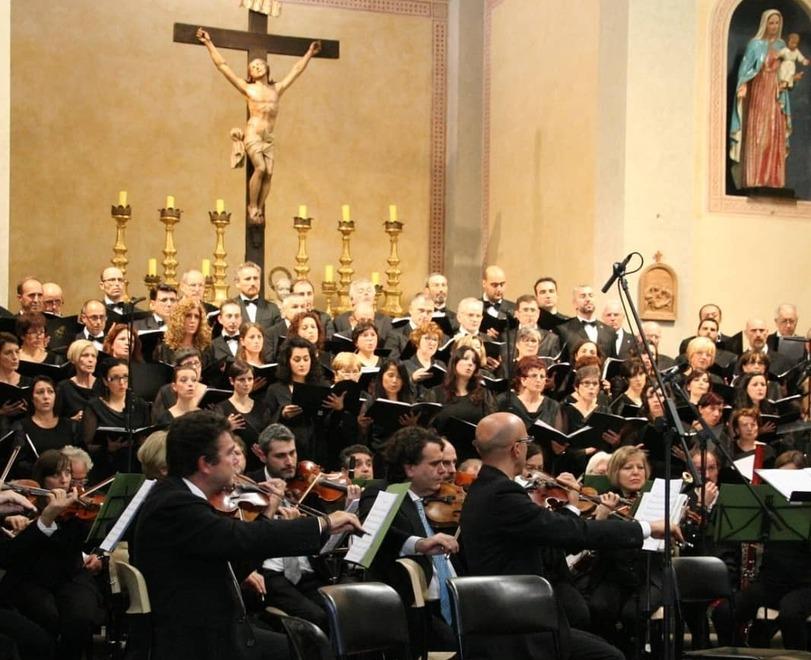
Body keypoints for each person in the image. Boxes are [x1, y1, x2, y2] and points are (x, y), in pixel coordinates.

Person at [132, 410, 362, 660]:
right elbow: (239, 536)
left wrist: (267, 514)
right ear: (205, 464)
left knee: (311, 645)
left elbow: (234, 555)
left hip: (214, 628)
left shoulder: (178, 495)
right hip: (197, 642)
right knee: (310, 649)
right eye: (231, 453)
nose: (237, 461)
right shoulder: (174, 504)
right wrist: (323, 523)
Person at [460, 412, 678, 660]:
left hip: (511, 615)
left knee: (603, 648)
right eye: (527, 441)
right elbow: (572, 532)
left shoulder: (483, 488)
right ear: (516, 449)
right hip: (517, 625)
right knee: (609, 657)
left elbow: (549, 535)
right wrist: (646, 528)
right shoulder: (502, 493)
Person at [196, 28, 321, 224]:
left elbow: (296, 70)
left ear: (267, 68)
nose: (256, 67)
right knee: (260, 168)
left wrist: (309, 53)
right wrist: (208, 43)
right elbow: (223, 66)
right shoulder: (248, 88)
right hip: (253, 133)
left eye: (259, 65)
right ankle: (252, 206)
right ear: (249, 73)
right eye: (252, 67)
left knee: (269, 174)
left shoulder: (276, 89)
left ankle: (259, 209)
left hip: (268, 138)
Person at [358, 426, 460, 655]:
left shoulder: (434, 500)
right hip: (413, 609)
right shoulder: (383, 491)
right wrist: (418, 543)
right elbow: (374, 532)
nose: (444, 471)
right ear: (410, 468)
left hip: (453, 599)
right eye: (435, 464)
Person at [0, 449, 106, 660]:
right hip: (32, 579)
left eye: (67, 473)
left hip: (71, 576)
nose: (64, 480)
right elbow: (11, 555)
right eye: (56, 475)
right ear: (42, 478)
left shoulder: (79, 509)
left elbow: (95, 543)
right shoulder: (24, 506)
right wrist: (36, 522)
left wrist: (100, 556)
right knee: (47, 617)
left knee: (79, 617)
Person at [730, 9, 795, 190]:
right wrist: (743, 84)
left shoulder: (782, 45)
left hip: (776, 93)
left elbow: (787, 68)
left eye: (776, 23)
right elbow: (745, 70)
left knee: (775, 133)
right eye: (771, 22)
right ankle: (755, 178)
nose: (774, 26)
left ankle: (773, 180)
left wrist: (790, 79)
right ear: (764, 24)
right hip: (759, 91)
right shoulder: (755, 44)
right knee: (759, 133)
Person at [82, 359, 151, 480]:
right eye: (114, 378)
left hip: (136, 466)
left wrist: (143, 442)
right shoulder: (94, 406)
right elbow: (86, 445)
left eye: (125, 377)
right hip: (106, 468)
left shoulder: (141, 405)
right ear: (105, 381)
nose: (122, 382)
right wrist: (107, 448)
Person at [264, 337, 325, 462]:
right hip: (287, 450)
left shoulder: (322, 386)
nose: (302, 364)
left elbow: (327, 422)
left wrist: (337, 408)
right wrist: (282, 414)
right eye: (297, 360)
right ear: (287, 361)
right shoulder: (275, 389)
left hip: (317, 448)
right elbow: (267, 425)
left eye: (306, 359)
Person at [12, 376, 77, 478]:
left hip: (67, 480)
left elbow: (80, 458)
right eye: (40, 392)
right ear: (32, 398)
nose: (46, 396)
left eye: (50, 392)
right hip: (35, 481)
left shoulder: (70, 425)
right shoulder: (21, 426)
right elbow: (18, 464)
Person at [215, 360, 271, 474]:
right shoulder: (221, 408)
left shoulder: (262, 407)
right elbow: (215, 440)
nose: (246, 383)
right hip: (233, 465)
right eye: (241, 379)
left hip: (258, 462)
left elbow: (268, 435)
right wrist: (227, 427)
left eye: (250, 379)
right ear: (232, 381)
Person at [498, 355, 563, 430]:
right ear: (523, 380)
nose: (538, 380)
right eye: (534, 376)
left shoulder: (553, 406)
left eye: (542, 377)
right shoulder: (507, 403)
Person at [555, 285, 617, 361]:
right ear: (574, 303)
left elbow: (613, 361)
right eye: (583, 296)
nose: (588, 299)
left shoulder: (609, 331)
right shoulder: (563, 330)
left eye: (591, 295)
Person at [155, 298, 213, 368]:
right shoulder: (164, 348)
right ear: (179, 318)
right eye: (188, 316)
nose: (193, 321)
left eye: (197, 317)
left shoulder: (206, 347)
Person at [55, 340, 99, 422]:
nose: (90, 360)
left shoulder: (103, 385)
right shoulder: (64, 387)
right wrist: (72, 420)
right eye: (85, 355)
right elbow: (55, 420)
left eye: (93, 356)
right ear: (73, 359)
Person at [232, 262, 281, 333]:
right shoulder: (230, 307)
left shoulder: (272, 308)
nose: (253, 283)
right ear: (237, 283)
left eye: (255, 278)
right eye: (248, 279)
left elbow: (278, 336)